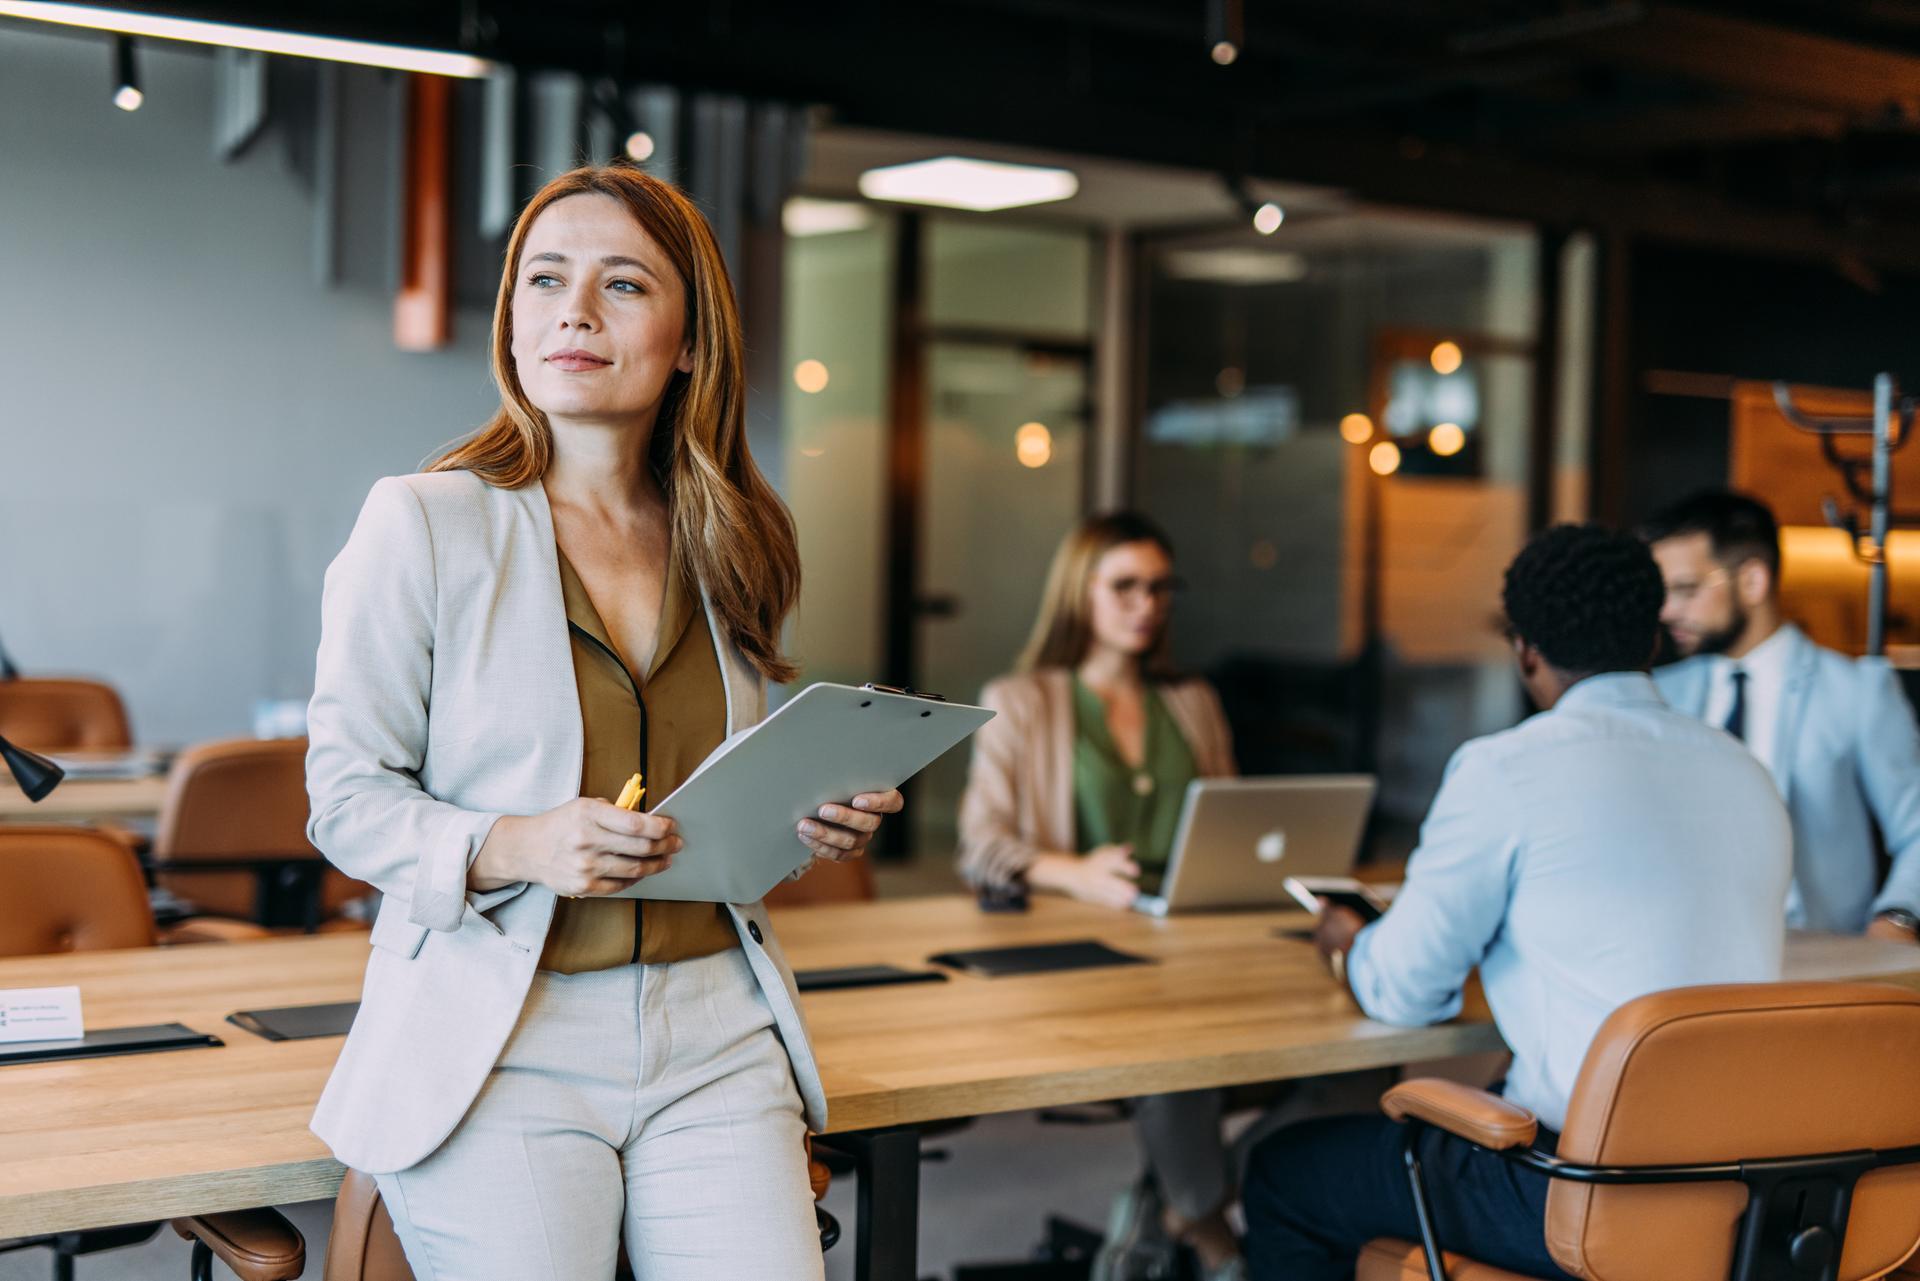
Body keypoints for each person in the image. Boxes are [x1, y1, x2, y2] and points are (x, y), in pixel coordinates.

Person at [304, 163, 902, 1280]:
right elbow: (343, 801)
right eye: (544, 279)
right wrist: (517, 842)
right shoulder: (423, 523)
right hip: (505, 1037)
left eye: (622, 283)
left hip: (717, 1030)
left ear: (688, 341)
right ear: (515, 323)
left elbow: (712, 819)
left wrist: (806, 819)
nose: (573, 308)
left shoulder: (732, 537)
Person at [1242, 524, 1790, 1281]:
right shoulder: (1747, 774)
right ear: (1653, 640)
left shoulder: (1506, 769)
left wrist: (1349, 944)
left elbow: (1403, 991)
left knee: (1285, 1170)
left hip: (1582, 1192)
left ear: (1526, 649)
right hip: (1745, 1195)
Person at [957, 512, 1244, 1280]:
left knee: (1360, 1043)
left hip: (1193, 935)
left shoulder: (1193, 702)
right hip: (1092, 952)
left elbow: (1234, 825)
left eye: (1159, 587)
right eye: (1125, 586)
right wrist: (1072, 870)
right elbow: (980, 845)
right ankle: (1208, 1222)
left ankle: (1187, 1199)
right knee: (1177, 1043)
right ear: (1080, 594)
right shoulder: (1023, 700)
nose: (1146, 604)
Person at [1644, 489, 1920, 940]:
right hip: (1686, 959)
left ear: (1752, 581)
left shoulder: (1857, 691)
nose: (1667, 611)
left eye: (1686, 590)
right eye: (1663, 594)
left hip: (1819, 967)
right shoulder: (1658, 695)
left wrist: (1897, 919)